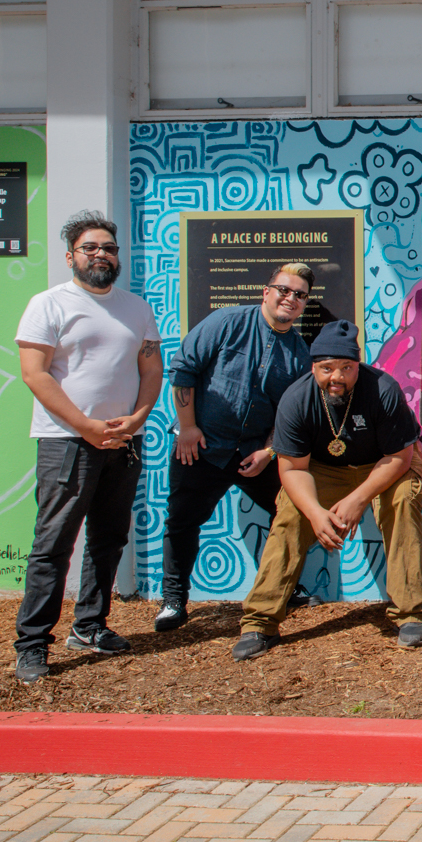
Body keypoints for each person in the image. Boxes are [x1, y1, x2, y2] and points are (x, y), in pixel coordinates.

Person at [11, 211, 162, 684]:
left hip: (124, 442)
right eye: (90, 248)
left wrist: (138, 418)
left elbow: (151, 370)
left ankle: (90, 626)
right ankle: (33, 644)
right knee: (54, 543)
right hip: (67, 443)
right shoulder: (49, 304)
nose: (101, 254)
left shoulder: (136, 307)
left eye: (109, 248)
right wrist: (85, 426)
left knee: (109, 537)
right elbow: (34, 374)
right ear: (71, 256)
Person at [233, 320, 422, 659]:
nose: (336, 377)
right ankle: (259, 623)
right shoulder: (297, 398)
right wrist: (315, 514)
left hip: (386, 463)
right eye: (326, 369)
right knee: (290, 514)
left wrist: (357, 499)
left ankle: (410, 615)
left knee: (402, 501)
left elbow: (400, 456)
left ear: (358, 365)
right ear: (314, 367)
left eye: (346, 368)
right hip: (323, 468)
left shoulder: (383, 388)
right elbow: (292, 467)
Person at [155, 263, 314, 632]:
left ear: (305, 304)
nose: (290, 298)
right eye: (284, 290)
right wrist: (188, 427)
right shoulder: (226, 321)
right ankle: (174, 600)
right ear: (266, 291)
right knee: (182, 522)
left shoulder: (299, 354)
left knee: (291, 511)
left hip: (254, 454)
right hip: (201, 447)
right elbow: (184, 370)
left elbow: (290, 413)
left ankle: (280, 588)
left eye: (300, 294)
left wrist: (269, 452)